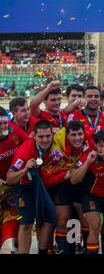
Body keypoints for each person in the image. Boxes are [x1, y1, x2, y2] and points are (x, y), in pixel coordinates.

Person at [70, 130, 104, 254]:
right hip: (92, 197)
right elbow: (74, 179)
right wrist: (87, 163)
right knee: (95, 226)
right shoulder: (89, 155)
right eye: (101, 145)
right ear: (95, 145)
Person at [40, 120, 90, 254]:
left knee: (86, 217)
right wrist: (63, 175)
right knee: (62, 219)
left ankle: (86, 249)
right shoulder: (56, 145)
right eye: (73, 135)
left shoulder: (89, 141)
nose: (77, 138)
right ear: (67, 136)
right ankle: (64, 250)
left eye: (80, 134)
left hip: (82, 184)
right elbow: (47, 173)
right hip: (61, 185)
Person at [7, 120, 55, 254]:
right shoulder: (25, 152)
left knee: (47, 219)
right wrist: (24, 169)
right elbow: (10, 178)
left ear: (53, 134)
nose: (45, 140)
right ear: (34, 136)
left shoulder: (56, 142)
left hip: (42, 185)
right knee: (27, 222)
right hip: (24, 187)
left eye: (48, 136)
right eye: (40, 137)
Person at [0, 106, 28, 253]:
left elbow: (29, 142)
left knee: (12, 217)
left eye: (5, 123)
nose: (4, 127)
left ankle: (9, 246)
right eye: (0, 124)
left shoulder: (14, 131)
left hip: (11, 186)